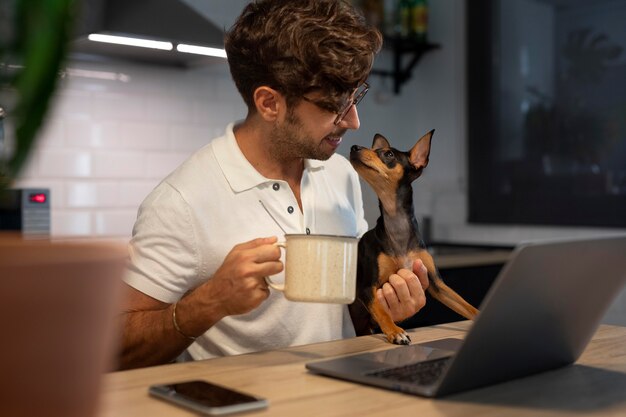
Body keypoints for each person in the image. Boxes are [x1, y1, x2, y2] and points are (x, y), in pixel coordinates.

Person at [119, 0, 429, 370]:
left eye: (355, 96)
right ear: (269, 104)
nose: (354, 121)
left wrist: (386, 307)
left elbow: (348, 315)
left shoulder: (341, 174)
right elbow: (114, 349)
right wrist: (207, 303)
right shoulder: (181, 202)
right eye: (335, 104)